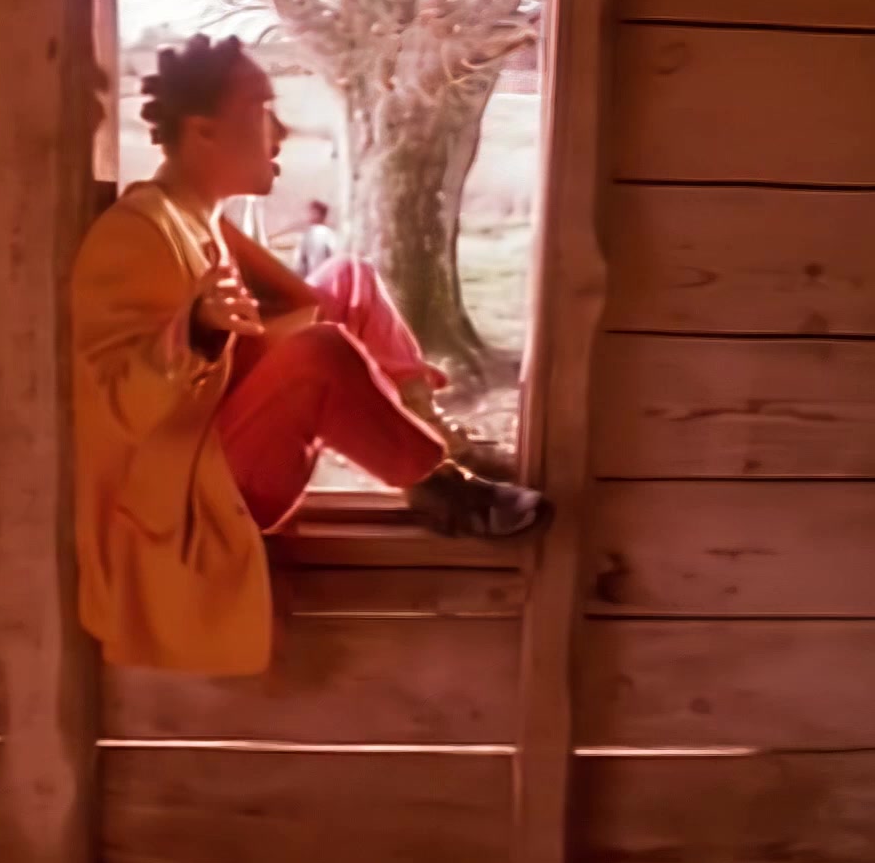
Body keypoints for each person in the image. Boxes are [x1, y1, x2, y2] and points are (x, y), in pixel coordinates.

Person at [69, 35, 547, 673]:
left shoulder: (199, 218)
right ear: (205, 132)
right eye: (263, 109)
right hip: (191, 500)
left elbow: (301, 307)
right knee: (318, 355)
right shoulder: (136, 234)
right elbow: (113, 403)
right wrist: (197, 333)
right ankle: (439, 487)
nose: (282, 131)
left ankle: (435, 437)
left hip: (218, 435)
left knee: (349, 277)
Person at [293, 199, 339, 277]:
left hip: (312, 276)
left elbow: (299, 262)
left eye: (312, 212)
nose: (309, 215)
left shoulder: (311, 233)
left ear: (320, 215)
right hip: (323, 276)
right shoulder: (329, 233)